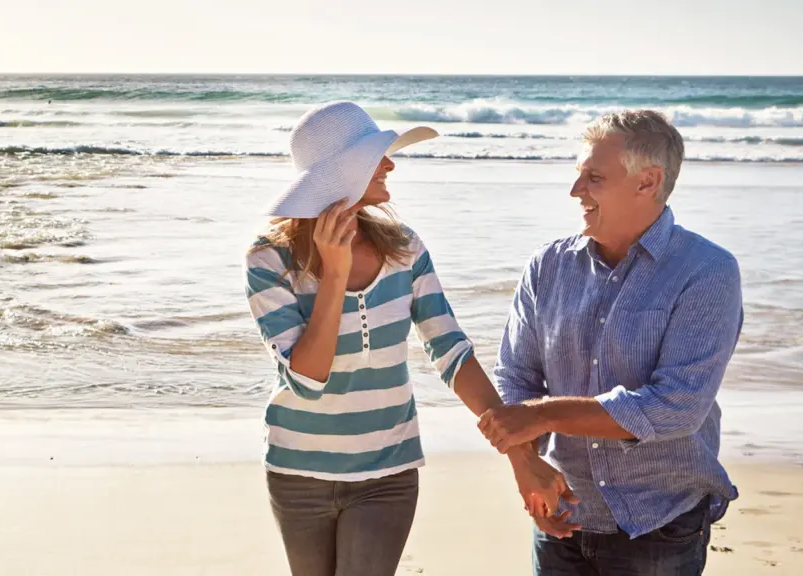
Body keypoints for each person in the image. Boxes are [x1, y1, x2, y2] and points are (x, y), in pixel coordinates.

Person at [244, 101, 574, 576]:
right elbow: (308, 380)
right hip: (298, 472)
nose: (391, 164)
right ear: (341, 171)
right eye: (376, 155)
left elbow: (452, 353)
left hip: (388, 471)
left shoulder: (405, 248)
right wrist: (334, 274)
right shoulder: (268, 260)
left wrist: (521, 459)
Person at [478, 110, 743, 575]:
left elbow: (674, 408)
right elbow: (515, 376)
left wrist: (540, 416)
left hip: (658, 524)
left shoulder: (707, 271)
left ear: (648, 182)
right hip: (563, 515)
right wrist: (527, 465)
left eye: (594, 177)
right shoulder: (547, 266)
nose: (575, 190)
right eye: (579, 175)